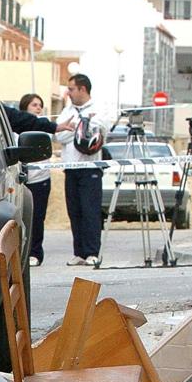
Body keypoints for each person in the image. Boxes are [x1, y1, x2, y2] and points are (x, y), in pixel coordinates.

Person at [54, 73, 113, 266]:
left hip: (90, 167)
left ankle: (91, 252)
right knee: (75, 211)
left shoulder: (99, 109)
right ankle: (78, 252)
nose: (68, 93)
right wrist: (81, 127)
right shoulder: (66, 110)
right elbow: (59, 135)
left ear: (82, 89)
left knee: (90, 211)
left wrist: (77, 128)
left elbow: (98, 132)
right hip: (70, 167)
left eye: (71, 89)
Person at [19, 93, 52, 266]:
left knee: (38, 218)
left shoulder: (43, 127)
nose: (38, 108)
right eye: (34, 105)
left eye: (40, 105)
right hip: (21, 180)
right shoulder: (15, 128)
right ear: (25, 107)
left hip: (40, 179)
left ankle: (35, 252)